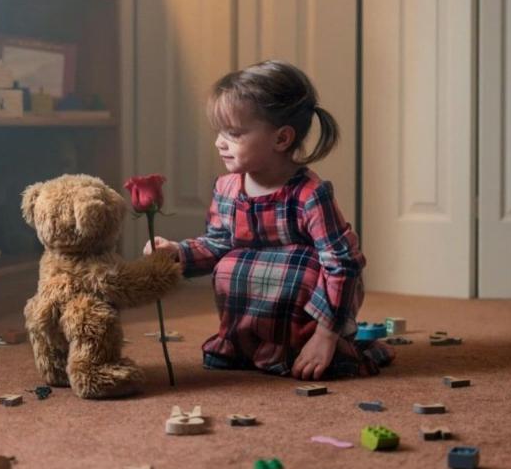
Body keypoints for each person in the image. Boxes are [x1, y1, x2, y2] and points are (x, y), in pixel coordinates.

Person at [144, 60, 394, 380]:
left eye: (233, 133)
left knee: (299, 270)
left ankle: (309, 346)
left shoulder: (310, 194)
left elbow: (342, 263)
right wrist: (178, 253)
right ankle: (243, 343)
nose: (220, 142)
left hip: (307, 308)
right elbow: (218, 243)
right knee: (230, 266)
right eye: (219, 132)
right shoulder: (227, 187)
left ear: (281, 139)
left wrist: (326, 335)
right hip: (255, 301)